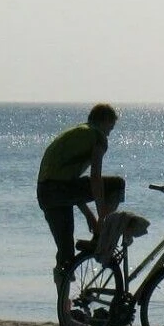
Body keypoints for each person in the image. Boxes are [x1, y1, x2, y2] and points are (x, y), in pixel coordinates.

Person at [37, 103, 126, 282]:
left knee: (66, 253)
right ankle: (101, 236)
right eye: (110, 128)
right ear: (105, 121)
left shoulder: (76, 132)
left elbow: (68, 181)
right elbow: (95, 178)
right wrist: (101, 216)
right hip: (59, 189)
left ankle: (63, 306)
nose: (109, 133)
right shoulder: (98, 137)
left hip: (45, 193)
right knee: (117, 184)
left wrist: (88, 214)